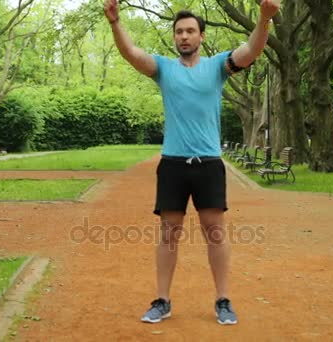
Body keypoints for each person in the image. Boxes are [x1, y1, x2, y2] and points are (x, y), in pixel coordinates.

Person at [103, 0, 280, 325]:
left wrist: (264, 18)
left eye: (190, 31)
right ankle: (162, 300)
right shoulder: (163, 69)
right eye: (179, 32)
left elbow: (251, 50)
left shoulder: (217, 67)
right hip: (172, 164)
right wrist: (116, 23)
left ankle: (223, 300)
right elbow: (131, 54)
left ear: (201, 36)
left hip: (208, 164)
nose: (184, 36)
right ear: (175, 38)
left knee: (215, 233)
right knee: (169, 234)